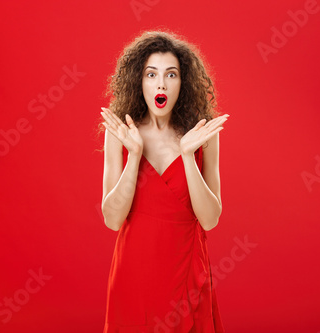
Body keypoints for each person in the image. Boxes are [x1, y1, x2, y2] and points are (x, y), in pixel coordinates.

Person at [99, 29, 228, 332]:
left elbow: (209, 220)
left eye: (171, 75)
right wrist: (134, 155)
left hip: (186, 272)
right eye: (151, 74)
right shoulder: (119, 134)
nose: (161, 83)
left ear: (182, 83)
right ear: (138, 81)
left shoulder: (202, 134)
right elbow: (112, 219)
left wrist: (187, 156)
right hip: (134, 275)